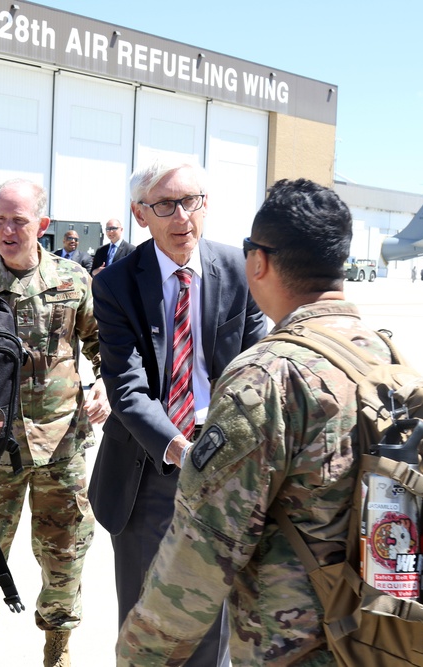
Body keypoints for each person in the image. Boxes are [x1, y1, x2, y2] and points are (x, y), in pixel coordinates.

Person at [117, 178, 391, 665]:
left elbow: (198, 559)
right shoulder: (384, 356)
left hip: (289, 646)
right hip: (374, 640)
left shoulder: (263, 380)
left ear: (257, 263)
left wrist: (137, 655)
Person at [90, 159, 267, 664]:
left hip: (225, 465)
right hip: (148, 469)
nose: (181, 216)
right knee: (146, 619)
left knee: (217, 617)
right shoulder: (117, 283)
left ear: (206, 206)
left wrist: (221, 447)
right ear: (140, 214)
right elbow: (125, 386)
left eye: (191, 201)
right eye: (165, 205)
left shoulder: (239, 270)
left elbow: (254, 372)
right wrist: (177, 446)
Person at [0, 178, 109, 667]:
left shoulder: (73, 280)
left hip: (61, 442)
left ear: (41, 225)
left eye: (18, 220)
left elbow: (103, 344)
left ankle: (57, 648)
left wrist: (103, 382)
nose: (7, 230)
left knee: (65, 550)